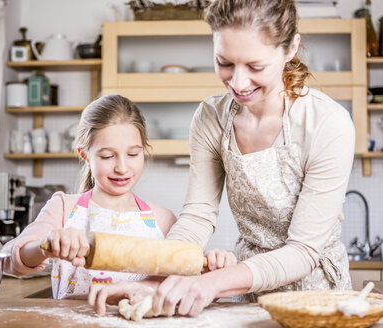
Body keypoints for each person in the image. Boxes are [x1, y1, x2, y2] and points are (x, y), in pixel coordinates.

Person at [89, 0, 355, 317]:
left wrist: (212, 283)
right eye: (224, 62)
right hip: (247, 290)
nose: (238, 83)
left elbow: (303, 251)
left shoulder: (328, 124)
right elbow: (197, 218)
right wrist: (155, 281)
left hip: (316, 297)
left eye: (255, 67)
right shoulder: (211, 118)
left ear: (290, 48)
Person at [3, 94, 222, 299]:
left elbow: (185, 280)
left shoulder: (162, 220)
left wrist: (213, 266)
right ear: (85, 156)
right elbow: (9, 259)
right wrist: (46, 244)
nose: (122, 167)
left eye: (133, 154)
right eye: (108, 156)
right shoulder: (64, 208)